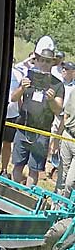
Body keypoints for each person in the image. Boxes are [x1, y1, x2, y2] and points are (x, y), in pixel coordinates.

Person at [11, 36, 64, 186]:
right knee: (18, 164)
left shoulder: (57, 84)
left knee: (34, 169)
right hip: (23, 127)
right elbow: (14, 98)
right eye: (41, 59)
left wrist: (51, 99)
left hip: (41, 133)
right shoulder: (28, 76)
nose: (44, 63)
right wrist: (22, 88)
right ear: (37, 60)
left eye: (48, 61)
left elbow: (58, 109)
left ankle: (26, 197)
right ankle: (14, 193)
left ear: (52, 63)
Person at [55, 62, 75, 196]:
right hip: (67, 135)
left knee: (70, 181)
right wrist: (58, 138)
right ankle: (57, 206)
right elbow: (66, 114)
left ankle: (67, 208)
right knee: (62, 176)